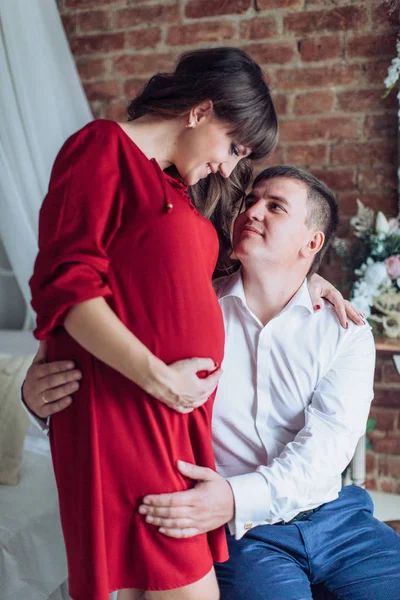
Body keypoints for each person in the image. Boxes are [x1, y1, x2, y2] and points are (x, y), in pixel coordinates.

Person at [25, 167, 400, 600]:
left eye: (274, 206)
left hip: (337, 518)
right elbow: (118, 392)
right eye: (251, 200)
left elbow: (327, 448)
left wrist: (235, 497)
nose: (252, 211)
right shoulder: (187, 310)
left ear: (311, 243)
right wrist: (37, 402)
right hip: (242, 536)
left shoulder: (344, 331)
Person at [28, 46, 280, 600]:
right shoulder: (102, 147)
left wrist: (316, 283)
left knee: (154, 588)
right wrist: (160, 379)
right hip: (129, 402)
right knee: (186, 589)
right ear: (200, 111)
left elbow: (183, 286)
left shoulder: (173, 189)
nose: (229, 167)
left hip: (168, 415)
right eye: (233, 146)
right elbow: (68, 285)